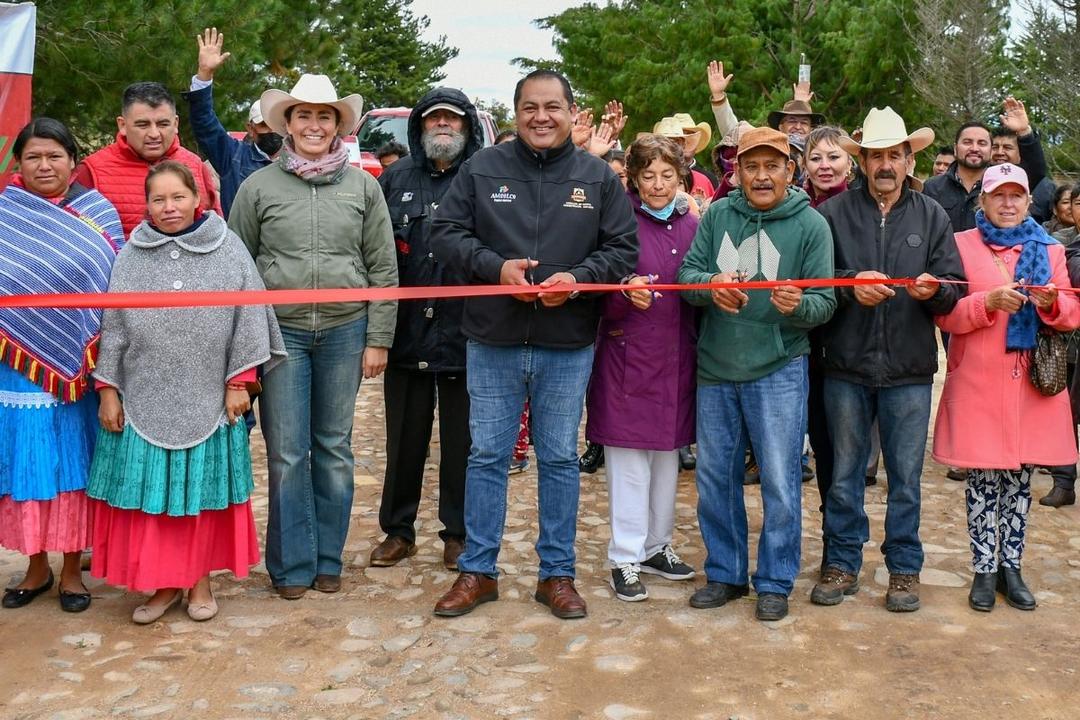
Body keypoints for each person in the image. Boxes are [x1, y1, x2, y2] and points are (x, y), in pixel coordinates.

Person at [429, 69, 637, 620]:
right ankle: (478, 570)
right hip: (492, 338)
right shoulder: (482, 168)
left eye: (552, 107)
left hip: (566, 343)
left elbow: (623, 250)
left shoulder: (597, 178)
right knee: (488, 456)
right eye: (529, 107)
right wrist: (495, 268)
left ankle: (556, 575)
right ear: (515, 112)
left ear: (572, 112)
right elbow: (445, 233)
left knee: (560, 461)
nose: (541, 117)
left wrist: (577, 278)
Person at [87, 161, 285, 623]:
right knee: (156, 499)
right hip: (145, 397)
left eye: (178, 197)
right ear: (147, 205)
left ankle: (199, 583)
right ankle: (163, 585)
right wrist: (108, 390)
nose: (169, 207)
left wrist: (241, 381)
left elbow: (250, 317)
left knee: (197, 497)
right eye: (158, 199)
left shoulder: (228, 249)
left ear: (198, 198)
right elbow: (113, 327)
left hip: (210, 398)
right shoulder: (131, 255)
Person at [229, 74, 398, 600]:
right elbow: (239, 269)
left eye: (325, 116)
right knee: (285, 452)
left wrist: (379, 338)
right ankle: (290, 565)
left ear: (338, 125)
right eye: (304, 115)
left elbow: (382, 266)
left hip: (346, 332)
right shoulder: (258, 188)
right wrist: (244, 350)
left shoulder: (364, 187)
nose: (314, 124)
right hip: (281, 336)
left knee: (333, 447)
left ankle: (328, 559)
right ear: (287, 123)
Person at [678, 126, 836, 622]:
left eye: (773, 166)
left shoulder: (812, 226)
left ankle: (774, 580)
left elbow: (825, 302)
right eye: (752, 166)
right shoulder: (718, 215)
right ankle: (725, 573)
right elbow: (687, 278)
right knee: (714, 478)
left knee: (781, 480)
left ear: (791, 171)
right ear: (737, 172)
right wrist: (711, 285)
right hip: (717, 367)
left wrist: (798, 305)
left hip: (779, 369)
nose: (762, 175)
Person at [811, 107, 964, 613]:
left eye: (894, 156)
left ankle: (903, 569)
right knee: (845, 473)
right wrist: (853, 287)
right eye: (876, 155)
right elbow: (820, 281)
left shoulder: (932, 215)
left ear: (907, 159)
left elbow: (953, 288)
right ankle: (842, 562)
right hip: (846, 365)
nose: (885, 164)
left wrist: (932, 291)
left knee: (905, 477)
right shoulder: (832, 215)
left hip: (909, 371)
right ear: (864, 161)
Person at [932, 163, 1080, 612]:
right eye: (999, 195)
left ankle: (1010, 566)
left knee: (1018, 481)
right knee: (981, 480)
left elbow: (1072, 311)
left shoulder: (1050, 249)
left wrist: (1054, 303)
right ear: (984, 201)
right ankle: (983, 568)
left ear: (1029, 202)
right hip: (978, 380)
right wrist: (986, 303)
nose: (1009, 203)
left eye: (1016, 195)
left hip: (1030, 385)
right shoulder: (959, 245)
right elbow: (944, 313)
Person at [0, 118, 123, 613]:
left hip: (77, 367)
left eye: (54, 156)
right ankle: (36, 566)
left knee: (71, 466)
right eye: (33, 157)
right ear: (19, 164)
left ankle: (72, 571)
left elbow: (110, 287)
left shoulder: (98, 213)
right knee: (26, 464)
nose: (44, 165)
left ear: (73, 162)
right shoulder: (4, 213)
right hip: (11, 365)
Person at [370, 88, 483, 571]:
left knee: (462, 442)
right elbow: (373, 254)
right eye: (434, 119)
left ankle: (457, 533)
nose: (443, 126)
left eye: (453, 120)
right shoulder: (393, 179)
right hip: (408, 331)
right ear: (419, 126)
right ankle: (398, 530)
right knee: (404, 438)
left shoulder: (485, 178)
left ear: (467, 128)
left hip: (467, 333)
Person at [586, 134, 699, 602]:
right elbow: (595, 285)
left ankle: (657, 544)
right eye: (648, 176)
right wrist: (620, 293)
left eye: (667, 176)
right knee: (629, 462)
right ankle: (625, 555)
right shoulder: (618, 225)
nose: (657, 185)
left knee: (667, 459)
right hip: (627, 357)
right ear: (632, 178)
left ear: (681, 178)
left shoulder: (693, 224)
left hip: (677, 357)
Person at [74, 81, 221, 237]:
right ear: (122, 125)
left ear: (176, 123)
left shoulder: (195, 166)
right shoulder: (92, 171)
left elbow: (215, 230)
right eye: (143, 125)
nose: (154, 134)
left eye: (163, 124)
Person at [184, 27, 279, 219]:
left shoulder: (302, 161)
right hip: (242, 246)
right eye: (263, 125)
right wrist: (204, 75)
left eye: (276, 124)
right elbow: (205, 124)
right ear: (250, 129)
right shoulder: (233, 156)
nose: (271, 130)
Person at [924, 97, 1047, 233]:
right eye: (967, 142)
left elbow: (1036, 169)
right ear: (955, 148)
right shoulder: (932, 187)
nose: (974, 148)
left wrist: (1024, 132)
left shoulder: (1004, 182)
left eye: (982, 143)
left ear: (990, 149)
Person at [801, 126, 852, 208]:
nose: (824, 166)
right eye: (816, 158)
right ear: (805, 165)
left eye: (833, 157)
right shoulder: (793, 207)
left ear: (849, 164)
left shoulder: (864, 207)